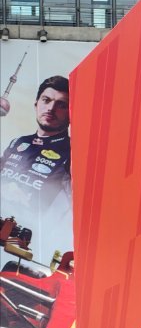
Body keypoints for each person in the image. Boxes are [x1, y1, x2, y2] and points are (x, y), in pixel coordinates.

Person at [0, 75, 71, 268]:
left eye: (61, 105)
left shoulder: (73, 152)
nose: (51, 108)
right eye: (46, 100)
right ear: (36, 104)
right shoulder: (19, 142)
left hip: (25, 252)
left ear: (71, 113)